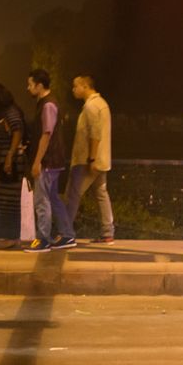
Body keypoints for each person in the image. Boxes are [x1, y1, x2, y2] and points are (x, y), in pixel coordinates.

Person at [25, 69, 76, 252]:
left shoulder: (47, 105)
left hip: (48, 161)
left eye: (30, 85)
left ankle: (43, 239)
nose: (28, 88)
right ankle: (68, 235)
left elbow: (46, 135)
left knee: (42, 200)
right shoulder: (46, 103)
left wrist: (37, 161)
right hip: (54, 159)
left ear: (39, 85)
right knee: (53, 198)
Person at [65, 74, 115, 243]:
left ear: (85, 86)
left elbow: (95, 133)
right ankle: (108, 232)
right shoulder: (103, 104)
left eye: (75, 86)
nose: (73, 90)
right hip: (103, 159)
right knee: (101, 194)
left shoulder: (91, 106)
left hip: (88, 160)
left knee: (73, 194)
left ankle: (66, 233)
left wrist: (91, 159)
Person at [0, 83, 26, 247]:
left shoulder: (10, 112)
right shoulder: (3, 114)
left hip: (8, 166)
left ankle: (7, 237)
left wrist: (9, 156)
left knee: (6, 201)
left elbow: (17, 131)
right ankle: (2, 236)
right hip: (0, 167)